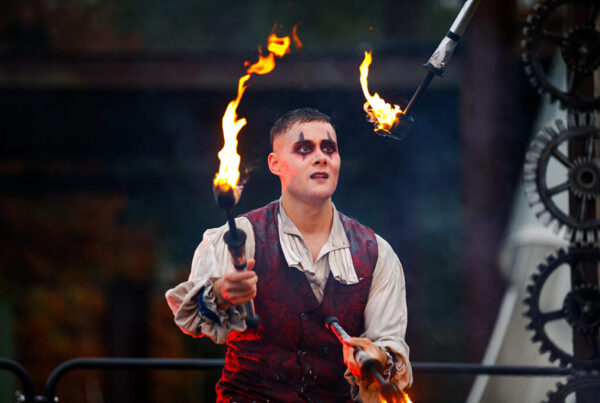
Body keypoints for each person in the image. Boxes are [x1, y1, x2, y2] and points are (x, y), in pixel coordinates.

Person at [166, 108, 412, 402]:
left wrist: (377, 357)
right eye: (304, 149)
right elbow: (189, 319)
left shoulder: (376, 253)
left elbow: (389, 346)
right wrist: (219, 293)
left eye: (329, 149)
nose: (321, 158)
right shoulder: (239, 237)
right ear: (275, 163)